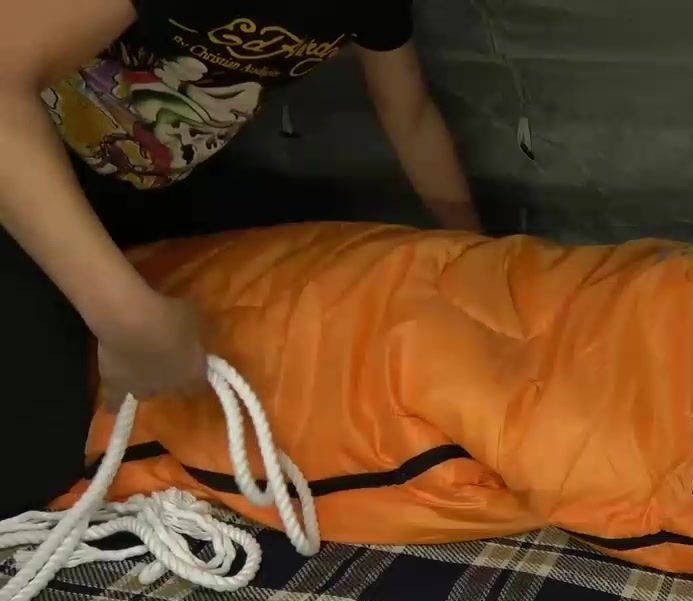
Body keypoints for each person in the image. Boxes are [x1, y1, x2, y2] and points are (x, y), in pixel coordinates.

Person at [0, 1, 480, 518]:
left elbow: (410, 115)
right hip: (27, 178)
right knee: (36, 463)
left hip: (141, 181)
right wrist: (123, 312)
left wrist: (473, 251)